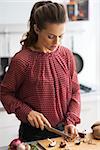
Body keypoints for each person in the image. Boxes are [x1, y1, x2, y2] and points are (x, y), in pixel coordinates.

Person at [1, 1, 81, 142]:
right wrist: (27, 112)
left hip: (64, 133)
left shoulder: (67, 55)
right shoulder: (22, 61)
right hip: (34, 135)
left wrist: (71, 121)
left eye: (60, 36)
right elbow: (5, 93)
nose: (56, 42)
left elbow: (75, 91)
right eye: (51, 36)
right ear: (37, 29)